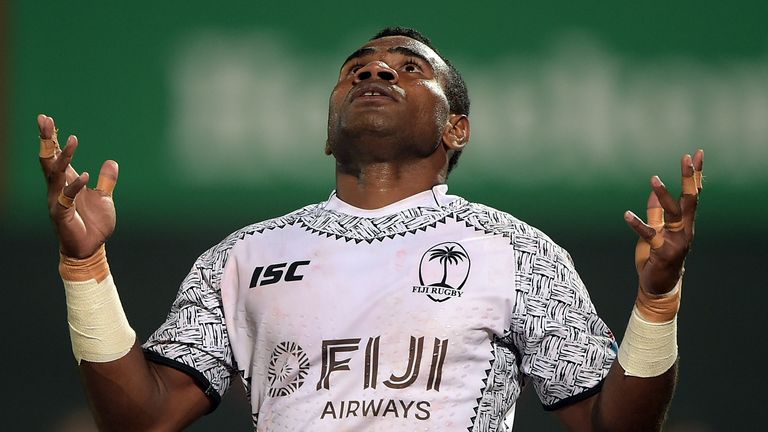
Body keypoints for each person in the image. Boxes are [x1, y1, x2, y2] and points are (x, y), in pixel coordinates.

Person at [38, 27, 704, 431]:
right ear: (329, 135)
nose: (376, 70)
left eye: (410, 69)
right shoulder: (241, 258)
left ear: (456, 129)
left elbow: (614, 427)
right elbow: (141, 421)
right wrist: (85, 267)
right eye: (355, 70)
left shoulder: (519, 254)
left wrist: (658, 299)